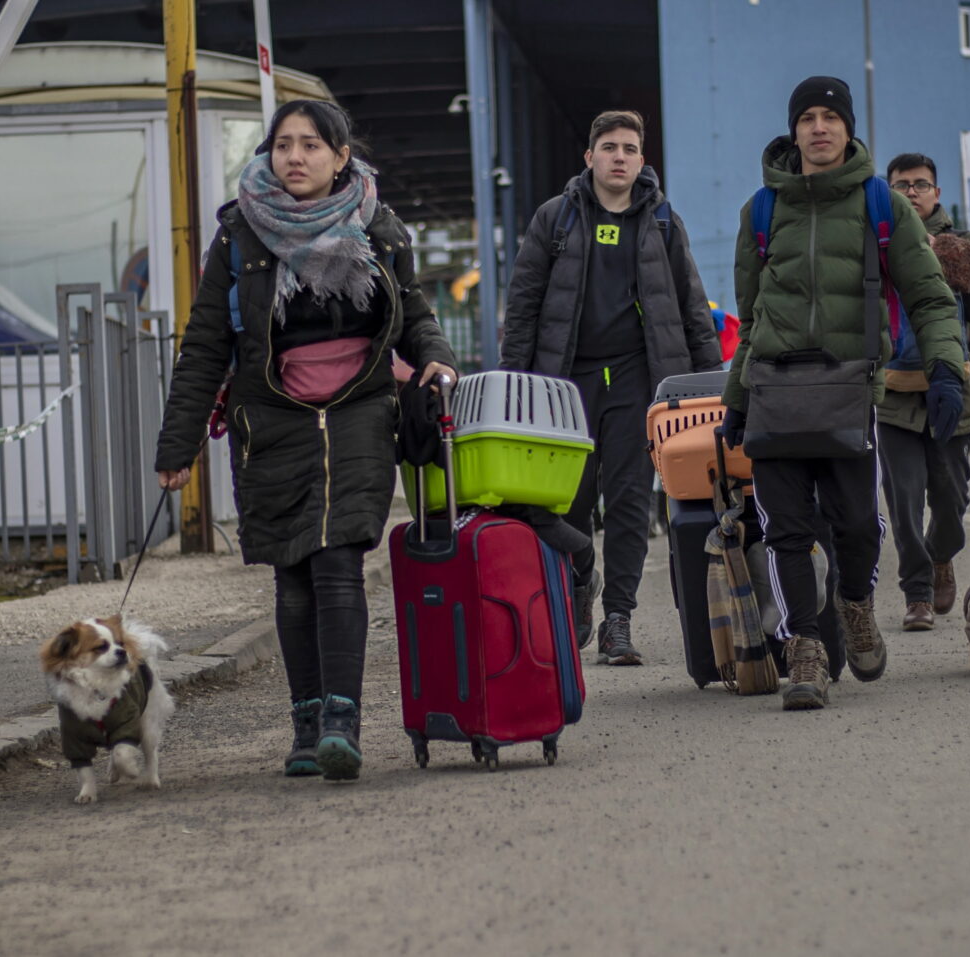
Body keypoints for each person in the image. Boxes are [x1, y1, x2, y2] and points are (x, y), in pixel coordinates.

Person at [154, 99, 455, 782]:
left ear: (340, 156)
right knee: (292, 574)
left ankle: (342, 721)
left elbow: (414, 312)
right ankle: (307, 718)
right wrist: (178, 445)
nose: (296, 156)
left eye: (312, 145)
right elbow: (205, 344)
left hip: (360, 411)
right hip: (272, 419)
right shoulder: (239, 235)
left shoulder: (378, 226)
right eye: (283, 144)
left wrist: (434, 357)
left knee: (338, 561)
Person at [718, 77, 966, 709]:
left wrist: (945, 368)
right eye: (808, 118)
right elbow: (750, 318)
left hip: (850, 390)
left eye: (832, 117)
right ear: (794, 129)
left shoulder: (883, 205)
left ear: (848, 129)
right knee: (786, 530)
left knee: (858, 525)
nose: (820, 128)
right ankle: (806, 648)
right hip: (774, 390)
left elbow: (931, 297)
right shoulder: (762, 210)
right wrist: (736, 397)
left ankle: (854, 602)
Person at [500, 109, 720, 666]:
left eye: (629, 148)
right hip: (564, 385)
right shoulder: (556, 219)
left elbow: (691, 306)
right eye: (609, 147)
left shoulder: (663, 222)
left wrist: (710, 381)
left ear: (642, 160)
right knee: (568, 502)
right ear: (590, 156)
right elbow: (523, 306)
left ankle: (618, 619)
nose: (619, 157)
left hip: (636, 380)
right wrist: (516, 383)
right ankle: (579, 583)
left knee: (628, 502)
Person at [877, 152, 970, 632]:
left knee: (950, 497)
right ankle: (918, 593)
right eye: (901, 184)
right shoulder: (874, 242)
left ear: (937, 193)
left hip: (954, 389)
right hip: (892, 394)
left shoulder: (964, 242)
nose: (911, 192)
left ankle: (942, 554)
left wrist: (944, 257)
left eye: (921, 184)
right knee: (904, 501)